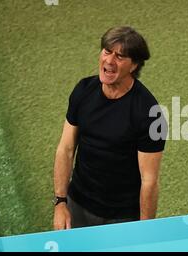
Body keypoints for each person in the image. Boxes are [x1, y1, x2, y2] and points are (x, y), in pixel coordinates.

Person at [53, 26, 166, 229]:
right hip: (77, 203)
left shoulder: (150, 113)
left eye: (120, 56)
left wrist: (146, 230)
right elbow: (66, 148)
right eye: (106, 51)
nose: (109, 61)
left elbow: (149, 180)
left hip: (121, 216)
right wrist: (60, 202)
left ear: (134, 66)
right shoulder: (83, 91)